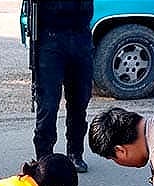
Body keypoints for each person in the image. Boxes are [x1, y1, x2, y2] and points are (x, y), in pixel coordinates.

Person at [27, 0, 94, 173]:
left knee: (79, 102)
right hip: (51, 39)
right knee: (48, 105)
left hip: (81, 37)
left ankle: (75, 154)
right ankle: (44, 159)